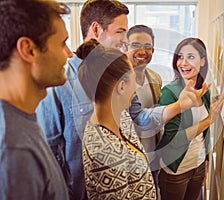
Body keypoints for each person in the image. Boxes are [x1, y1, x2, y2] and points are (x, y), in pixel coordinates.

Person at [36, 1, 209, 199]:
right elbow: (49, 151)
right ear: (96, 29)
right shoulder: (59, 80)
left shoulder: (118, 74)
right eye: (120, 31)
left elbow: (138, 119)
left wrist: (181, 105)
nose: (125, 40)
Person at [0, 0, 73, 199]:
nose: (69, 54)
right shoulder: (14, 149)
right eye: (62, 43)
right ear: (29, 50)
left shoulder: (23, 119)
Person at [77, 41, 156, 199]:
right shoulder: (104, 151)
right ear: (121, 87)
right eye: (133, 79)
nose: (136, 86)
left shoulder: (122, 117)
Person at [156, 38, 224, 200]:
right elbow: (173, 140)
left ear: (202, 61)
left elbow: (203, 134)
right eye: (180, 57)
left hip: (198, 165)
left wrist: (205, 162)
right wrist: (209, 120)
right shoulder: (169, 93)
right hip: (176, 170)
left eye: (190, 57)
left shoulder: (203, 90)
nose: (183, 62)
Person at [126, 24, 162, 195]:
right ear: (125, 47)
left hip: (152, 159)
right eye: (136, 45)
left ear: (153, 51)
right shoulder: (117, 81)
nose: (142, 51)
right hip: (128, 164)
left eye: (148, 46)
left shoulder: (156, 78)